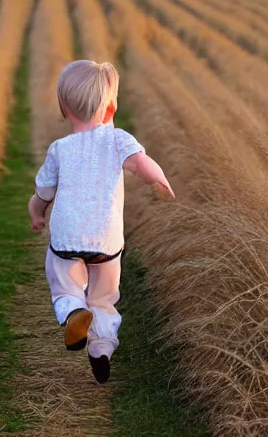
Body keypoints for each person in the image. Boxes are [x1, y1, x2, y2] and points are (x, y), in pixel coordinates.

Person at [28, 60, 175, 384]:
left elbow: (42, 194)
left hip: (68, 239)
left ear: (64, 108)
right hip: (107, 242)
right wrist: (160, 181)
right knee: (105, 297)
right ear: (111, 106)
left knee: (64, 280)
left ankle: (72, 312)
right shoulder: (118, 140)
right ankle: (102, 347)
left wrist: (36, 214)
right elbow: (142, 164)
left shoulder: (60, 149)